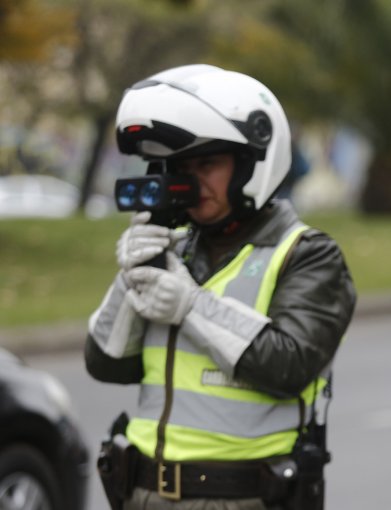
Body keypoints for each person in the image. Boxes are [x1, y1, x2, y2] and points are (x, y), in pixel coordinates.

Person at [85, 64, 356, 509]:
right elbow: (106, 364)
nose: (191, 181)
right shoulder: (176, 250)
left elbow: (289, 366)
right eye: (180, 167)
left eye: (207, 163)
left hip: (243, 496)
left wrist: (191, 305)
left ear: (252, 164)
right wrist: (131, 275)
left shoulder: (307, 254)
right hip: (141, 493)